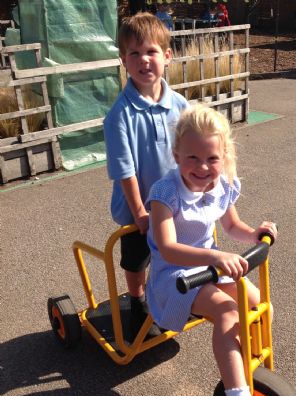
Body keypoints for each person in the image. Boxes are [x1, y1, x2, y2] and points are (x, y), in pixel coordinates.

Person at [145, 104, 277, 396]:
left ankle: (246, 368)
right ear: (176, 155)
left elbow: (232, 225)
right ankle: (237, 393)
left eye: (212, 159)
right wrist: (216, 257)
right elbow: (168, 249)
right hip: (175, 276)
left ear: (224, 157)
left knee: (259, 305)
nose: (203, 167)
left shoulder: (222, 185)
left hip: (209, 269)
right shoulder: (165, 193)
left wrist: (254, 233)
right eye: (192, 157)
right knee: (227, 311)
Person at [103, 12, 189, 339]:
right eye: (134, 53)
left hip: (173, 203)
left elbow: (190, 151)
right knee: (136, 259)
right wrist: (140, 212)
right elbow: (124, 170)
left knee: (173, 252)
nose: (144, 60)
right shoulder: (119, 115)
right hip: (136, 208)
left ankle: (168, 292)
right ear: (124, 60)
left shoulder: (180, 105)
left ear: (166, 56)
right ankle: (137, 300)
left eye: (151, 51)